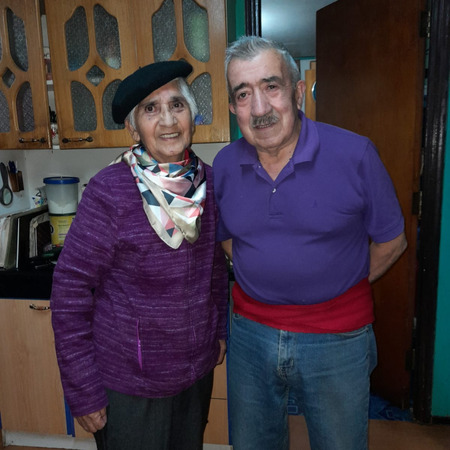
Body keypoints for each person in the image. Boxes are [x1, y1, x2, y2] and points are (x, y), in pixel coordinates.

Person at [213, 36, 407, 450]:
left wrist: (335, 287)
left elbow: (392, 242)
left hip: (337, 339)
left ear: (297, 91)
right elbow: (227, 237)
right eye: (243, 94)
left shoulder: (356, 154)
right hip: (250, 337)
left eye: (271, 86)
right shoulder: (224, 165)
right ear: (233, 108)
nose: (259, 108)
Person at [51, 60, 228, 450]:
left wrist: (218, 334)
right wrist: (83, 389)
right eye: (151, 109)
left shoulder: (211, 183)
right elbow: (69, 291)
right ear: (134, 128)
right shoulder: (109, 191)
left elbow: (215, 270)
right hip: (130, 387)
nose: (168, 120)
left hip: (195, 376)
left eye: (177, 105)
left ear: (192, 115)